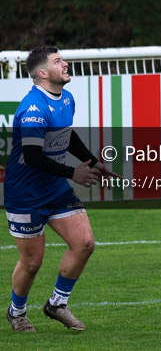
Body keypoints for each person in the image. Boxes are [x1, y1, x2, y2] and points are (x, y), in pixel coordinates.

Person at [6, 47, 118, 333]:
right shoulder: (33, 107)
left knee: (85, 243)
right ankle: (16, 311)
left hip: (54, 188)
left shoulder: (66, 98)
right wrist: (73, 173)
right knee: (32, 263)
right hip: (25, 194)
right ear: (43, 73)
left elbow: (66, 136)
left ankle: (57, 304)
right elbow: (31, 156)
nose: (65, 64)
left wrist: (92, 161)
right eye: (58, 62)